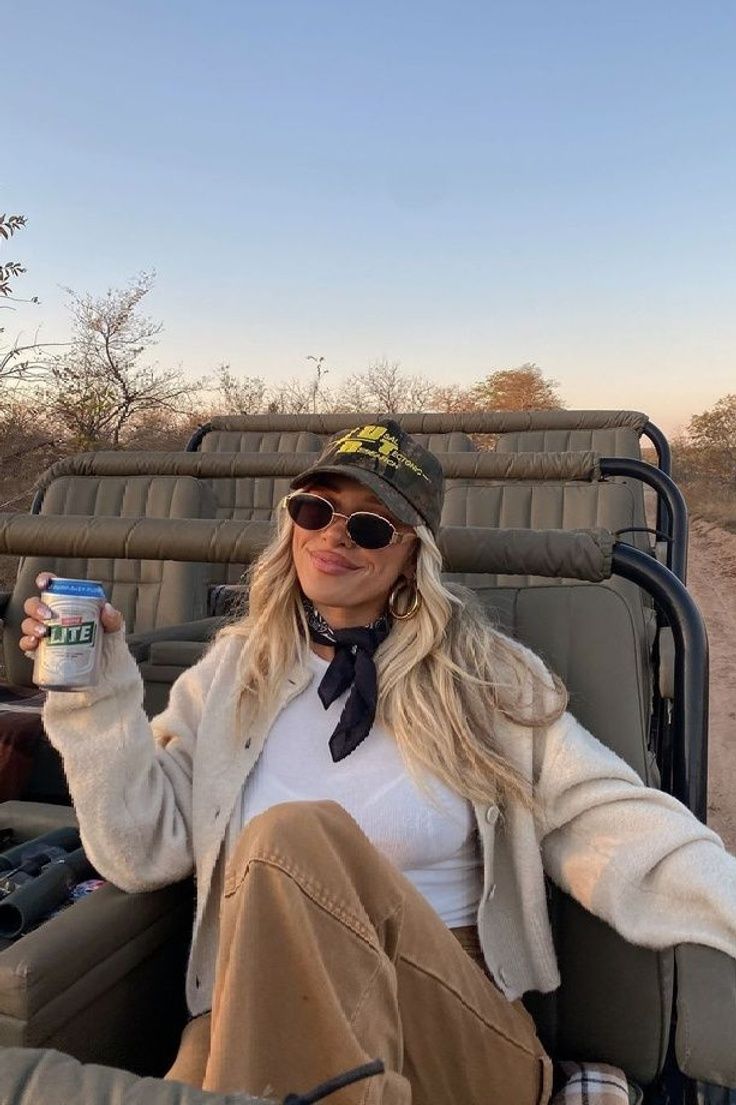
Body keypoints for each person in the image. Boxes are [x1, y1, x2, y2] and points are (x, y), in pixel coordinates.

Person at [19, 420, 736, 1105]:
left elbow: (612, 823)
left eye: (369, 525)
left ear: (410, 556)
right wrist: (96, 699)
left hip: (454, 1023)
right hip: (268, 1000)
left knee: (289, 842)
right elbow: (141, 853)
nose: (334, 533)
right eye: (316, 508)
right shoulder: (234, 674)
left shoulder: (486, 677)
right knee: (209, 1054)